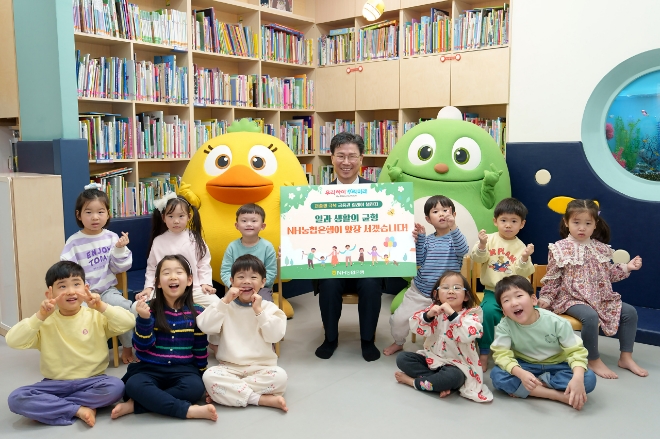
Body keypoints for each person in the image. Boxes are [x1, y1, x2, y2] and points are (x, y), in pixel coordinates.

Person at [6, 261, 135, 426]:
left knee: (116, 387)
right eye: (62, 286)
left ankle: (56, 406)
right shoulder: (44, 321)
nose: (71, 291)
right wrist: (40, 316)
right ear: (50, 293)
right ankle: (79, 409)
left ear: (86, 288)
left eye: (76, 284)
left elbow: (128, 322)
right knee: (16, 398)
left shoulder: (96, 315)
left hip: (93, 381)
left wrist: (101, 306)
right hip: (54, 384)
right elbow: (12, 340)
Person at [539, 199, 646, 379]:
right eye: (576, 222)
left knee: (630, 312)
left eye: (588, 223)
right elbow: (553, 277)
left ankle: (626, 357)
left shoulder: (600, 249)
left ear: (595, 224)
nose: (582, 228)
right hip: (571, 298)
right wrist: (547, 297)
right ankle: (592, 359)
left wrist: (627, 267)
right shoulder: (559, 248)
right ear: (566, 222)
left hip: (599, 297)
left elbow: (608, 274)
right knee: (590, 316)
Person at [111, 255, 217, 421]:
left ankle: (137, 405)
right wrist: (144, 320)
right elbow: (141, 347)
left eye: (179, 272)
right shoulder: (148, 309)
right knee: (134, 385)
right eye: (166, 273)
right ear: (158, 283)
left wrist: (202, 376)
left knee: (194, 388)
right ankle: (187, 410)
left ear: (189, 280)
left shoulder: (197, 312)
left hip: (183, 369)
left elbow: (199, 348)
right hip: (149, 368)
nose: (173, 277)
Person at [314, 132, 384, 362]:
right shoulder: (318, 195)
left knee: (371, 284)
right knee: (328, 283)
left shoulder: (378, 193)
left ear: (361, 159)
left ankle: (367, 340)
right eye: (340, 156)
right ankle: (330, 339)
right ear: (332, 158)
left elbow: (387, 227)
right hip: (334, 263)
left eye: (352, 156)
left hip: (367, 264)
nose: (346, 162)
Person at [490, 275, 597, 410]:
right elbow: (502, 355)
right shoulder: (504, 326)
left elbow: (576, 351)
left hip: (558, 365)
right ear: (504, 311)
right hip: (525, 365)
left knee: (588, 379)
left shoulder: (556, 322)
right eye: (506, 300)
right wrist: (521, 373)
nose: (514, 303)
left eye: (519, 296)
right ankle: (557, 395)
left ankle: (532, 388)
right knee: (497, 375)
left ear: (533, 300)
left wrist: (577, 378)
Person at [197, 255, 288, 412]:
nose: (246, 281)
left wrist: (259, 312)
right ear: (231, 281)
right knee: (209, 375)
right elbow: (205, 326)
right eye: (241, 277)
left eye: (253, 277)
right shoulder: (224, 305)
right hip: (229, 368)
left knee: (280, 377)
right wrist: (225, 301)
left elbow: (275, 335)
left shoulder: (269, 308)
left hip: (262, 367)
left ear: (263, 282)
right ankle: (259, 399)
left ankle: (226, 393)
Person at [384, 195, 469, 356]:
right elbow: (419, 260)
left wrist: (454, 226)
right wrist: (421, 238)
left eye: (445, 210)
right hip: (419, 292)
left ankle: (439, 350)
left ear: (453, 214)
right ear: (428, 219)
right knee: (398, 320)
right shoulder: (428, 240)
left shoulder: (455, 238)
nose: (441, 214)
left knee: (444, 327)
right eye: (435, 211)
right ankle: (398, 342)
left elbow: (463, 249)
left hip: (446, 296)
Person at [60, 184, 135, 363]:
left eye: (100, 212)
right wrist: (80, 293)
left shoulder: (112, 238)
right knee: (79, 317)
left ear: (108, 214)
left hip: (107, 291)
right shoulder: (73, 242)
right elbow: (66, 271)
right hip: (83, 295)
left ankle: (127, 347)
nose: (95, 217)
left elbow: (121, 268)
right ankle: (88, 355)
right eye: (88, 212)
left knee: (122, 310)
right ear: (79, 215)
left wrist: (119, 249)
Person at [395, 271, 493, 402]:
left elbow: (467, 335)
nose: (451, 291)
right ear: (436, 294)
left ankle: (413, 382)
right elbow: (415, 326)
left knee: (453, 377)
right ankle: (437, 382)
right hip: (433, 358)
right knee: (402, 358)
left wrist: (452, 314)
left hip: (457, 365)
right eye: (445, 288)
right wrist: (428, 316)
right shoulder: (434, 310)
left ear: (466, 296)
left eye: (457, 288)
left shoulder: (471, 315)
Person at [470, 197, 535, 371]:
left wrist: (524, 257)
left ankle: (520, 351)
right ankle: (484, 352)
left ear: (522, 224)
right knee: (487, 312)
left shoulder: (521, 246)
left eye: (514, 221)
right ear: (495, 221)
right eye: (503, 220)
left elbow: (523, 273)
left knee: (527, 313)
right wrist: (482, 244)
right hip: (492, 291)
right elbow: (478, 258)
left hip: (513, 292)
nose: (508, 225)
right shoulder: (489, 240)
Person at [136, 192, 217, 307]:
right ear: (163, 218)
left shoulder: (195, 238)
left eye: (181, 216)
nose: (176, 221)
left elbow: (203, 263)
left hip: (193, 290)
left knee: (217, 305)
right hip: (164, 291)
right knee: (137, 306)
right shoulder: (158, 241)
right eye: (171, 216)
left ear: (189, 217)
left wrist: (206, 283)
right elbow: (152, 268)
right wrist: (149, 287)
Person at [220, 203, 277, 302]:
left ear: (262, 226)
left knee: (265, 304)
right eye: (244, 221)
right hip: (237, 287)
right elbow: (225, 271)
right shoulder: (232, 247)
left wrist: (257, 285)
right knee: (227, 304)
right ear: (237, 225)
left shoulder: (267, 247)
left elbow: (271, 272)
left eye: (254, 221)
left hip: (261, 288)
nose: (249, 224)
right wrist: (233, 285)